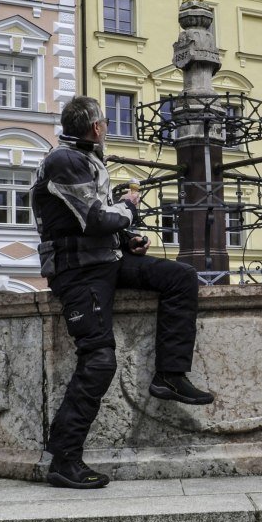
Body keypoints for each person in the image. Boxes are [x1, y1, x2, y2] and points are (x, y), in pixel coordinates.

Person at [31, 96, 215, 490]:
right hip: (77, 271)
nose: (108, 130)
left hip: (105, 260)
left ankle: (169, 376)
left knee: (180, 277)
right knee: (98, 361)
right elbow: (95, 218)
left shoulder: (85, 157)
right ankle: (64, 459)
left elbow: (94, 220)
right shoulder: (64, 160)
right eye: (106, 124)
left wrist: (126, 237)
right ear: (96, 127)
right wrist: (129, 209)